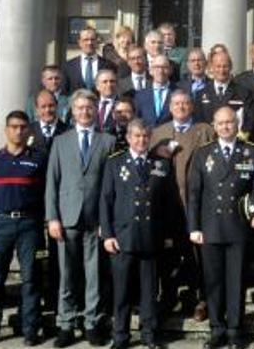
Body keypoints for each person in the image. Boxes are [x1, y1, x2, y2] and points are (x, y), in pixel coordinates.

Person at [45, 89, 117, 347]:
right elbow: (52, 183)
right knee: (66, 275)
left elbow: (110, 187)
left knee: (94, 275)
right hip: (66, 218)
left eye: (89, 108)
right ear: (72, 112)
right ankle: (66, 323)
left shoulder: (107, 141)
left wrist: (106, 223)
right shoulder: (60, 141)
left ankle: (92, 323)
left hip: (95, 220)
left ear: (95, 111)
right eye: (79, 108)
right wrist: (52, 218)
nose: (84, 112)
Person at [188, 107, 254, 349]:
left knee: (236, 280)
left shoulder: (251, 151)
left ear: (237, 124)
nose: (225, 127)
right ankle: (217, 329)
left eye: (229, 122)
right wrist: (194, 227)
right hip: (210, 227)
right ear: (214, 125)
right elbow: (194, 194)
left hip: (238, 227)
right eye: (220, 123)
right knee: (213, 281)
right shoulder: (202, 154)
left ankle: (235, 329)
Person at [101, 119, 176, 349]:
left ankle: (149, 334)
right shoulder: (115, 163)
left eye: (145, 136)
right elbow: (106, 200)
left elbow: (169, 203)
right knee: (122, 292)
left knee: (149, 291)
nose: (141, 140)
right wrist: (108, 235)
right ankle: (120, 335)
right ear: (129, 138)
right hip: (123, 237)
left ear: (149, 137)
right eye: (136, 136)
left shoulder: (162, 164)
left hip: (151, 236)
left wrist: (167, 234)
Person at [0, 111, 47, 347]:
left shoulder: (39, 158)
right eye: (14, 127)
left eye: (23, 127)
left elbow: (47, 189)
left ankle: (30, 330)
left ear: (29, 130)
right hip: (1, 224)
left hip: (30, 225)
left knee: (31, 280)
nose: (18, 131)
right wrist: (0, 209)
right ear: (6, 130)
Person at [150, 89, 215, 321]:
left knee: (198, 255)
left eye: (186, 103)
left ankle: (201, 299)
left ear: (192, 106)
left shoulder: (205, 131)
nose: (181, 107)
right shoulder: (158, 133)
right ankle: (168, 297)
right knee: (169, 255)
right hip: (167, 206)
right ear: (169, 107)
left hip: (196, 203)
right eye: (176, 104)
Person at [194, 51, 254, 139]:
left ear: (231, 67)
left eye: (225, 66)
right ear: (211, 68)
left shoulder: (243, 93)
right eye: (218, 66)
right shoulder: (201, 94)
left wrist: (239, 139)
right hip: (209, 143)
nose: (221, 70)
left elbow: (249, 121)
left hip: (235, 142)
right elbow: (198, 123)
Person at [62, 26, 115, 93]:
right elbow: (64, 92)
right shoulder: (68, 66)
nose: (89, 43)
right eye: (86, 40)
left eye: (92, 39)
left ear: (97, 41)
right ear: (79, 42)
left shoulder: (108, 65)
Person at [135, 54, 175, 127]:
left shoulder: (178, 93)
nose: (160, 71)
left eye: (164, 67)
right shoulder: (140, 95)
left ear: (170, 70)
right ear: (150, 71)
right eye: (157, 67)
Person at [30, 89, 70, 155]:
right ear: (37, 109)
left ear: (57, 106)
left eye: (51, 106)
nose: (47, 110)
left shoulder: (68, 131)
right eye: (43, 107)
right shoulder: (28, 130)